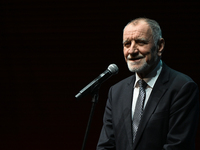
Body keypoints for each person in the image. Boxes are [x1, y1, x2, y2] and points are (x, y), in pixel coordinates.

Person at [96, 17, 199, 150]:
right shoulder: (116, 92)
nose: (132, 51)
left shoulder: (182, 87)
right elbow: (106, 145)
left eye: (140, 42)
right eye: (127, 44)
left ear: (160, 46)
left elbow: (178, 146)